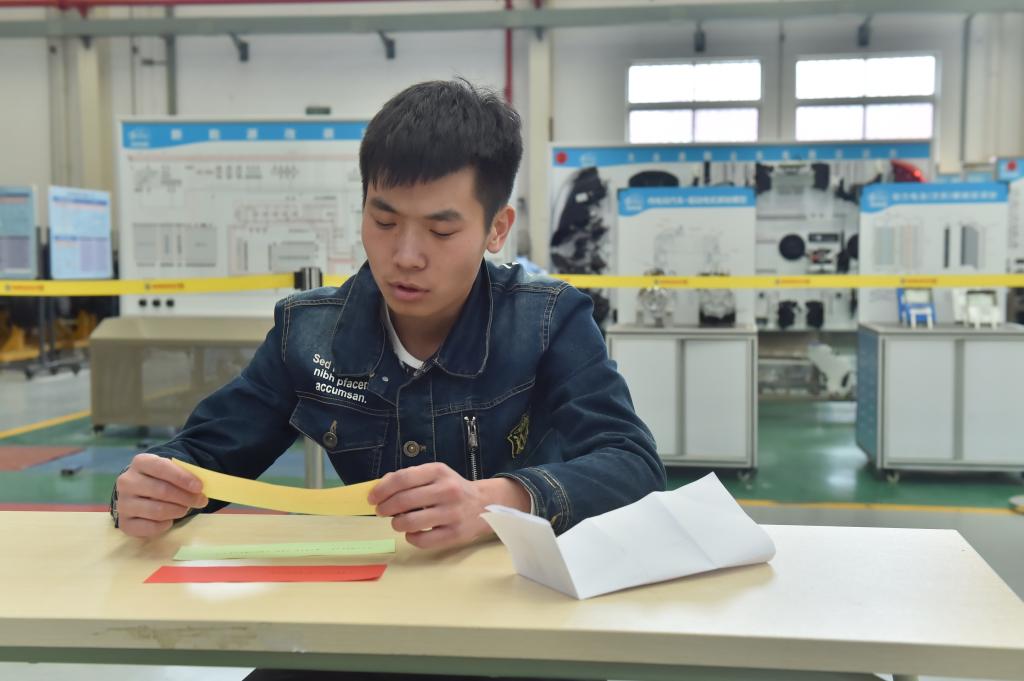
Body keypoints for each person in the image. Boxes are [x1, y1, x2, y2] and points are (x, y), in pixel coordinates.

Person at [113, 78, 664, 590]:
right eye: (384, 222)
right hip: (376, 601)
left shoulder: (547, 321)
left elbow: (633, 464)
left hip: (519, 597)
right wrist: (149, 491)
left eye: (441, 230)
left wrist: (498, 500)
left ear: (496, 228)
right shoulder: (308, 334)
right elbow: (204, 455)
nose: (405, 256)